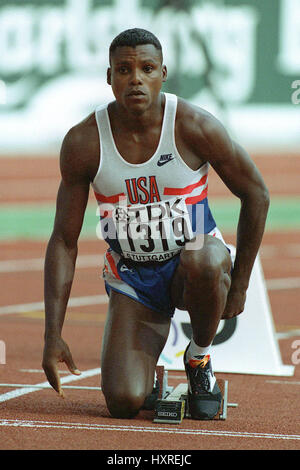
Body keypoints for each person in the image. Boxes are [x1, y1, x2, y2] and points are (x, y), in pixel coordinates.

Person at [42, 28, 269, 420]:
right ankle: (145, 375)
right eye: (124, 70)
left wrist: (242, 284)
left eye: (146, 68)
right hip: (133, 276)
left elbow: (256, 194)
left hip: (191, 265)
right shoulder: (84, 142)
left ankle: (198, 361)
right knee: (123, 401)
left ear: (163, 73)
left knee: (207, 258)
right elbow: (64, 240)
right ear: (109, 76)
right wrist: (52, 333)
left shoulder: (194, 126)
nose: (135, 79)